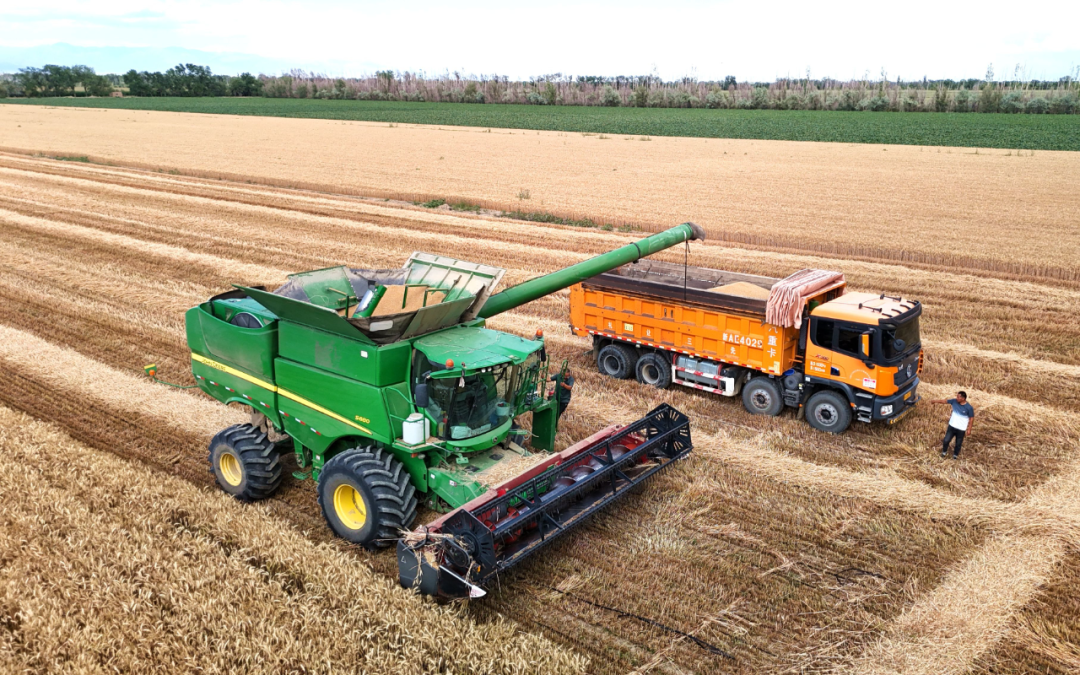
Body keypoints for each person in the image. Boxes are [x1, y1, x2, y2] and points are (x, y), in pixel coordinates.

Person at [930, 391, 974, 459]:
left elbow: (971, 418)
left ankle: (955, 455)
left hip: (961, 429)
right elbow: (944, 401)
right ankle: (944, 452)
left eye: (958, 397)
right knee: (946, 440)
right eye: (957, 396)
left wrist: (969, 429)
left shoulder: (969, 408)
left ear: (963, 398)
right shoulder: (954, 401)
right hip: (952, 426)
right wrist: (935, 401)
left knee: (958, 443)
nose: (957, 398)